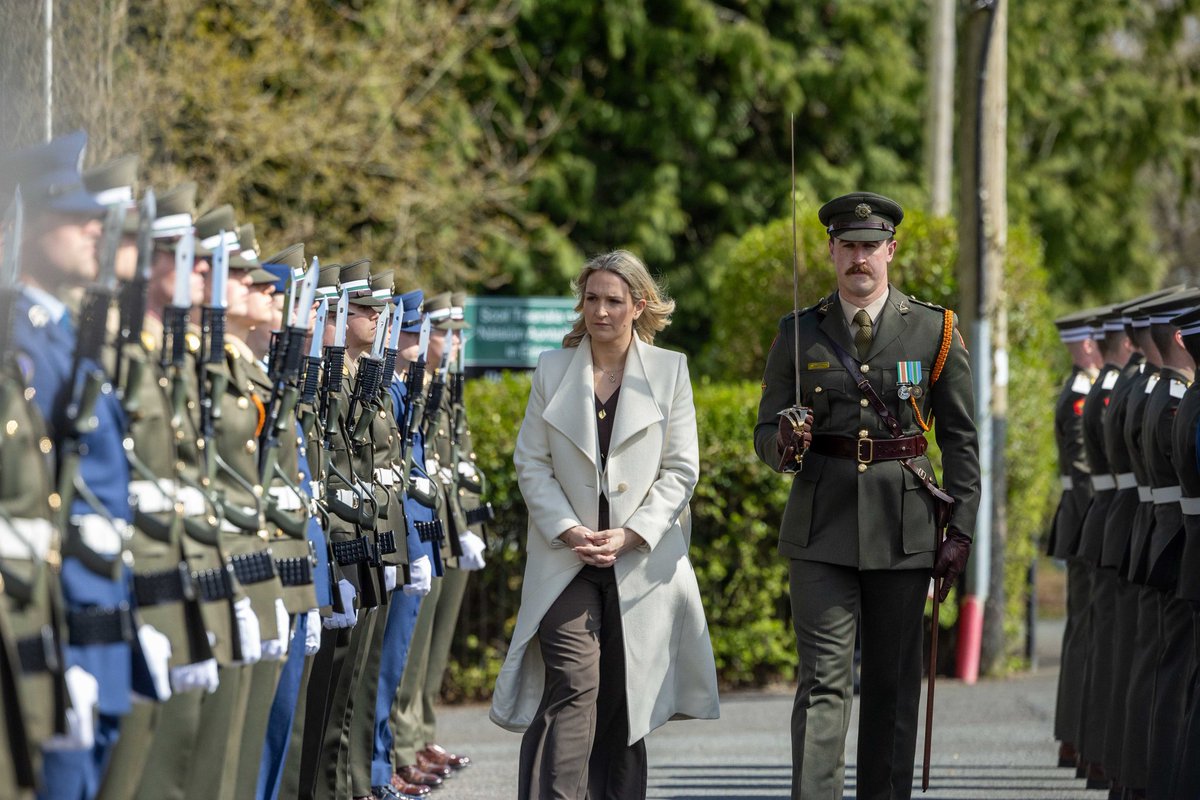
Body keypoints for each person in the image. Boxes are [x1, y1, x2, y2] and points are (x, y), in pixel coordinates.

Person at [753, 192, 980, 800]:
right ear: (831, 250)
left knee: (891, 687)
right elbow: (764, 434)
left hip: (903, 528)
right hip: (821, 528)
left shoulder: (935, 329)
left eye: (870, 247)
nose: (860, 258)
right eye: (848, 246)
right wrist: (783, 439)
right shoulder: (798, 332)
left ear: (891, 251)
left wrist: (960, 532)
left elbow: (960, 440)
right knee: (824, 683)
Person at [491, 249, 720, 800]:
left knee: (623, 693)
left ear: (638, 306)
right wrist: (570, 530)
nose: (600, 311)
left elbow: (681, 469)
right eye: (591, 298)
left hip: (639, 561)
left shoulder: (670, 371)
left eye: (613, 301)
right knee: (573, 682)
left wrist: (633, 532)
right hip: (565, 559)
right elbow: (532, 463)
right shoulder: (551, 369)